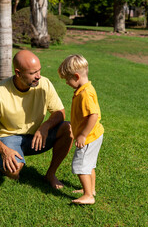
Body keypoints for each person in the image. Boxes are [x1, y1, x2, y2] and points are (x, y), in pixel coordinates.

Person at [0, 50, 73, 189]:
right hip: (8, 137)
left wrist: (45, 126)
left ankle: (50, 175)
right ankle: (6, 162)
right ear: (18, 73)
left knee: (68, 128)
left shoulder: (44, 84)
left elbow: (60, 112)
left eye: (39, 71)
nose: (38, 76)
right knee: (14, 171)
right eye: (33, 73)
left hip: (37, 137)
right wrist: (4, 150)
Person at [58, 54, 104, 204]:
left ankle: (88, 196)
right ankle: (90, 190)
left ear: (76, 76)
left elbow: (93, 115)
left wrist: (82, 135)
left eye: (67, 79)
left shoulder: (85, 94)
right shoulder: (85, 89)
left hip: (89, 137)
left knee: (80, 165)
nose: (66, 82)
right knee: (89, 164)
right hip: (95, 135)